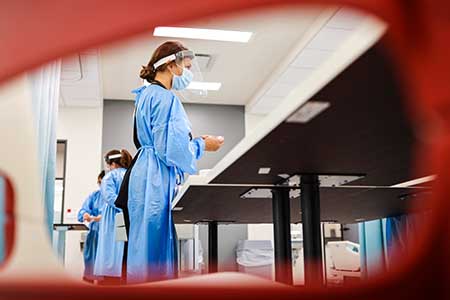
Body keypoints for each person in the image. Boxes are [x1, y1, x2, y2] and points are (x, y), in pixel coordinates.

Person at [115, 41, 224, 283]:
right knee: (154, 251)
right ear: (171, 65)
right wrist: (203, 145)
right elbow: (172, 151)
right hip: (153, 177)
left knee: (142, 247)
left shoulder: (145, 94)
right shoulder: (166, 99)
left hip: (143, 175)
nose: (188, 72)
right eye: (186, 66)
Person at [94, 149, 132, 285]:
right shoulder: (131, 175)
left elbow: (110, 197)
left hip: (113, 218)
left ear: (112, 163)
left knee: (111, 251)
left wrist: (122, 206)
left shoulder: (109, 177)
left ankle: (111, 279)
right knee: (125, 251)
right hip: (130, 217)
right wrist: (129, 209)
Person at [77, 170, 105, 283]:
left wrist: (103, 218)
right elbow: (83, 210)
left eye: (103, 183)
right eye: (99, 183)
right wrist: (85, 214)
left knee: (105, 275)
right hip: (94, 235)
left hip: (107, 237)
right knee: (90, 269)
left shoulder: (115, 197)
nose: (101, 186)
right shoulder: (95, 196)